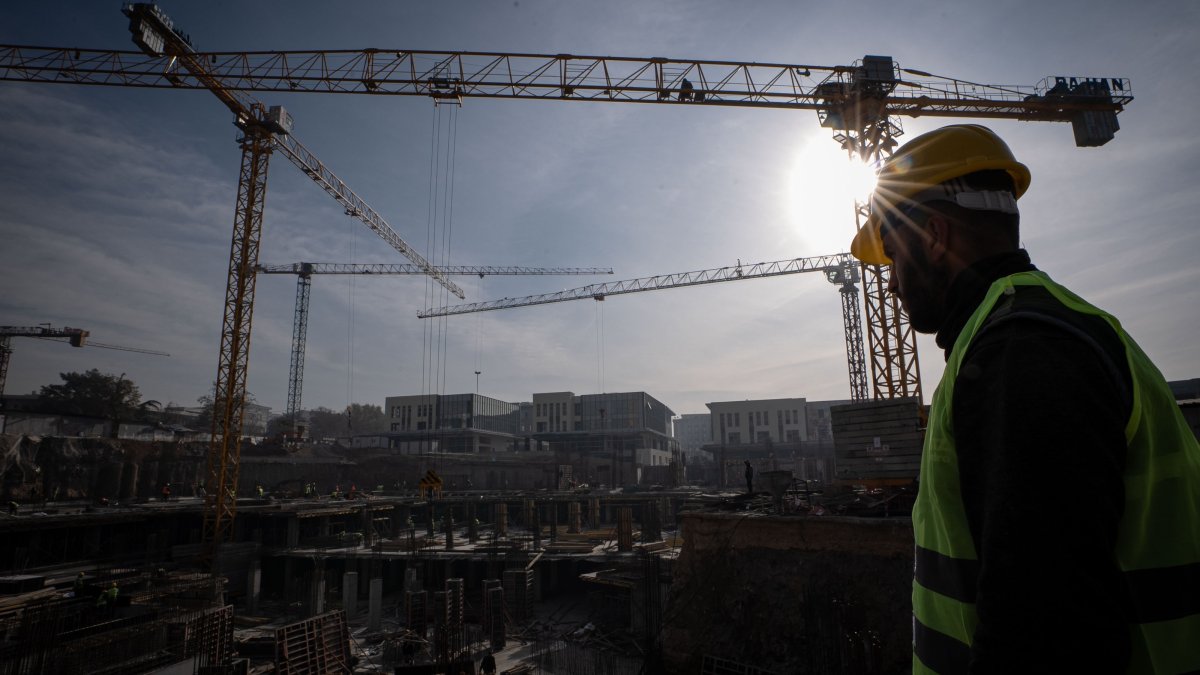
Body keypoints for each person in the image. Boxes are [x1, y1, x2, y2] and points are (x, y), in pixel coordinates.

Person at [850, 124, 1200, 674]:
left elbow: (1045, 633)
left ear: (935, 236)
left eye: (893, 256)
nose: (891, 282)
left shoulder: (1022, 352)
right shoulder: (1031, 331)